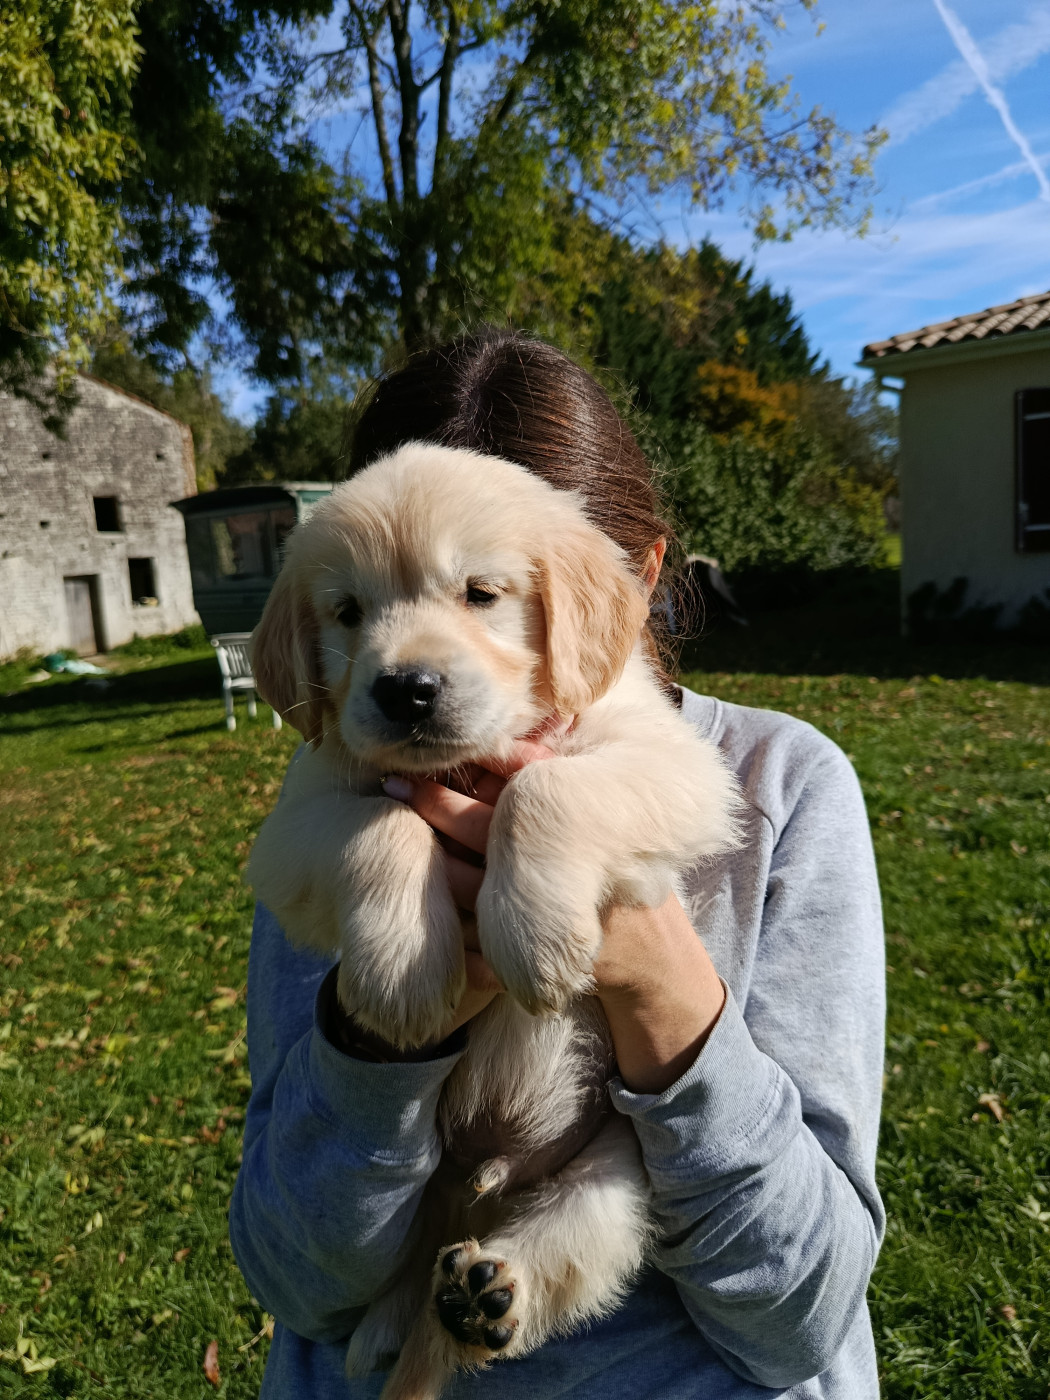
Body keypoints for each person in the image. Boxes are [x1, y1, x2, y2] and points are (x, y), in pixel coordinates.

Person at [229, 329, 886, 1399]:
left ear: (620, 590)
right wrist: (384, 964)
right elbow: (293, 1271)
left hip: (653, 1300)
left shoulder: (786, 783)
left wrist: (634, 950)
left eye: (481, 590)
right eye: (350, 613)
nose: (405, 661)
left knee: (600, 1194)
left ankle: (511, 1283)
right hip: (374, 1312)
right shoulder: (340, 770)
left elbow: (803, 1305)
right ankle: (427, 1328)